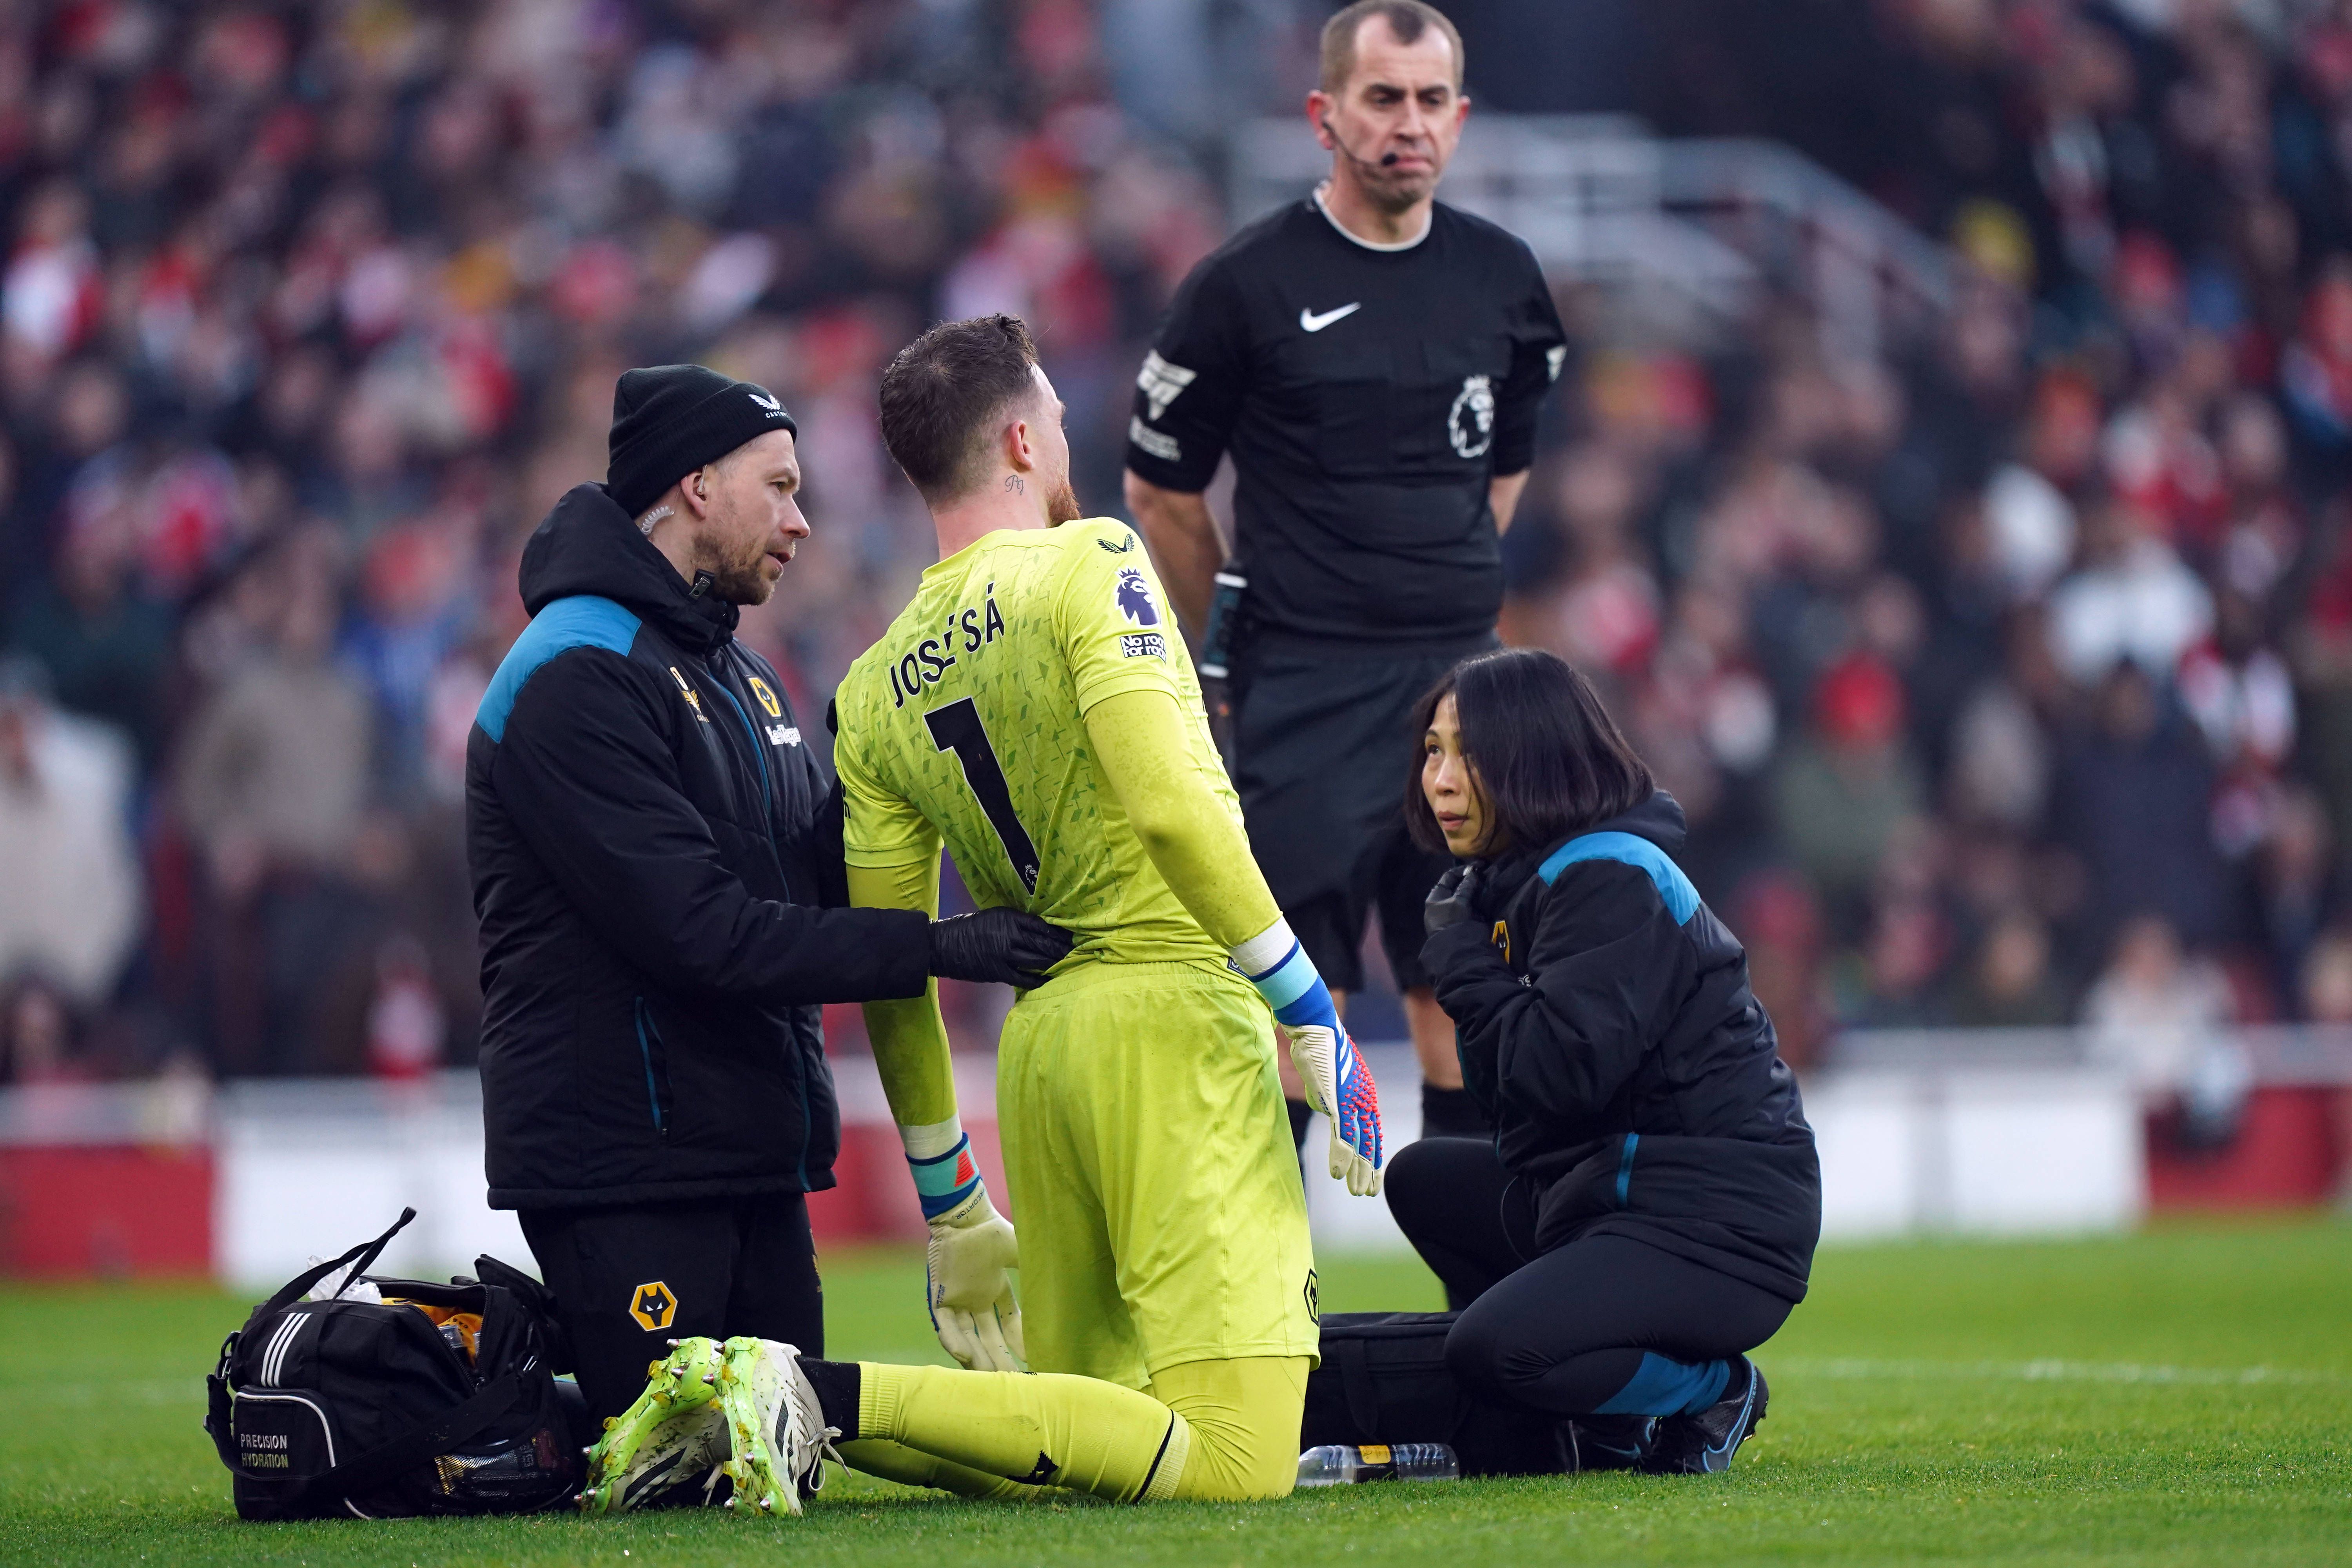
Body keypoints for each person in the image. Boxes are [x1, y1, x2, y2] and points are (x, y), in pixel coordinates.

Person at [586, 313, 1383, 1515]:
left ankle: (791, 1409)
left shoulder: (876, 683)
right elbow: (1170, 811)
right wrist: (1305, 1000)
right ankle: (808, 1391)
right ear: (1022, 438)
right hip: (1174, 1021)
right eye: (1059, 420)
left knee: (1098, 1455)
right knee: (1236, 1461)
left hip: (1045, 1057)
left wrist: (951, 1192)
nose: (1067, 437)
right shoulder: (1093, 562)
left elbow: (894, 967)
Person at [465, 364, 1074, 1427]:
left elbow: (811, 869)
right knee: (695, 1468)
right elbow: (702, 935)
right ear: (697, 486)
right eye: (781, 487)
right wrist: (943, 945)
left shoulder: (735, 672)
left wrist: (922, 743)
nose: (802, 521)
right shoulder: (575, 673)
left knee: (784, 1454)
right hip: (628, 1167)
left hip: (746, 1151)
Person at [1123, 0, 1568, 1144]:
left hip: (1462, 689)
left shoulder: (1506, 281)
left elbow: (1502, 472)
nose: (1407, 125)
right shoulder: (1245, 287)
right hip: (1305, 689)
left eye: (1429, 102)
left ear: (1460, 120)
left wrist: (1435, 580)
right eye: (1383, 99)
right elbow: (1160, 490)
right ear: (1326, 116)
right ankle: (1262, 1307)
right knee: (1292, 1007)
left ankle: (1487, 1304)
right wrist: (1226, 633)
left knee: (1464, 990)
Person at [1387, 647, 1820, 1474]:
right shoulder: (1517, 885)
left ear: (1534, 756)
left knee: (1495, 1348)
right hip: (1613, 1196)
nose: (1439, 779)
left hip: (1716, 1226)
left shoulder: (1610, 873)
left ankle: (1713, 1387)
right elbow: (1518, 1102)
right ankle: (1589, 1413)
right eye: (1432, 750)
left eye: (1466, 753)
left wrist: (1469, 964)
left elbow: (1558, 1074)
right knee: (1422, 1180)